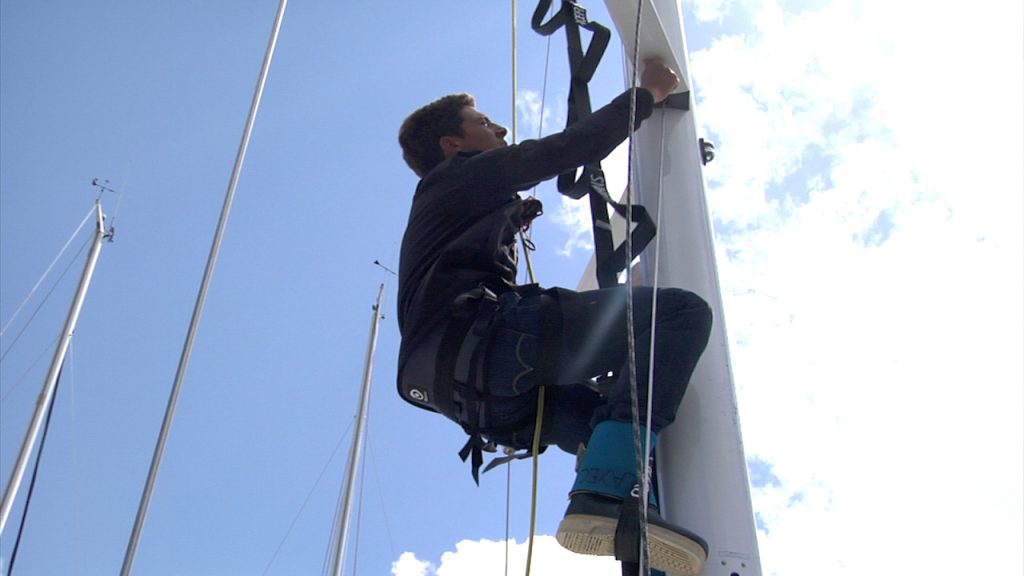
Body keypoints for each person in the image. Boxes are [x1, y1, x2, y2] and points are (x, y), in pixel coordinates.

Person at [396, 60, 712, 575]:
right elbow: (568, 148)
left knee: (613, 428)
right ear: (452, 145)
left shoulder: (444, 206)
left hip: (477, 404)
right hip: (492, 348)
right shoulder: (459, 175)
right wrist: (648, 93)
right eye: (483, 122)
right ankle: (606, 494)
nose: (500, 129)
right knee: (678, 314)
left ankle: (626, 528)